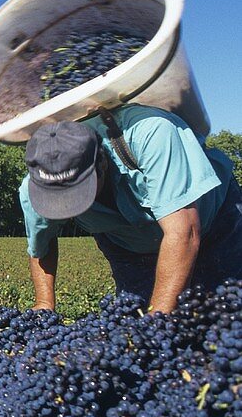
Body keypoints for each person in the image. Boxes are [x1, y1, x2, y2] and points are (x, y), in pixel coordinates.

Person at [20, 103, 242, 313]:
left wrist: (158, 323)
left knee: (225, 309)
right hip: (129, 247)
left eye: (77, 192)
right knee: (136, 323)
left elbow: (184, 232)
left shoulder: (152, 134)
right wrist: (44, 303)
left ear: (101, 163)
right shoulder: (33, 194)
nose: (67, 204)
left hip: (212, 223)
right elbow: (42, 244)